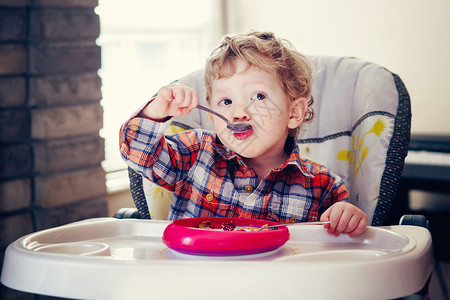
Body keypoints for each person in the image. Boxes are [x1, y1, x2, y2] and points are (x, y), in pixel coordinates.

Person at [119, 31, 368, 236]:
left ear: (294, 112)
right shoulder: (195, 153)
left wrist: (347, 220)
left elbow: (338, 253)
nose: (238, 112)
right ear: (211, 114)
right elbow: (138, 152)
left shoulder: (324, 186)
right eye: (226, 101)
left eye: (258, 96)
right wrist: (156, 110)